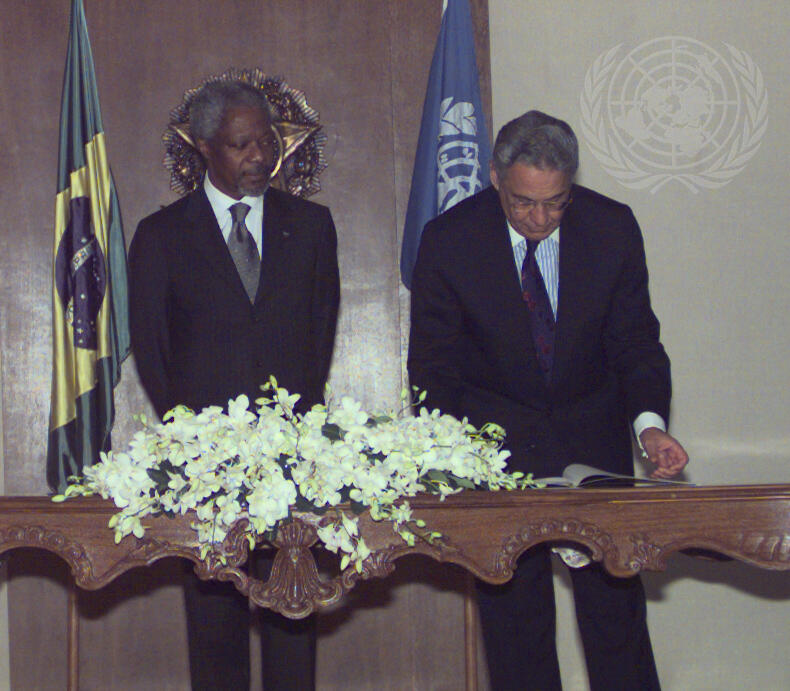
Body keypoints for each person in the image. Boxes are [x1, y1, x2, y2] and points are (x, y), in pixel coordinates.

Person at [407, 110, 688, 690]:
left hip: (594, 445)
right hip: (495, 453)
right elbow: (434, 364)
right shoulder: (449, 240)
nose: (540, 218)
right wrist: (448, 450)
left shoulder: (611, 227)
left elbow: (636, 341)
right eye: (524, 203)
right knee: (516, 629)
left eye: (556, 203)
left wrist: (650, 426)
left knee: (616, 621)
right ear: (495, 177)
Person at [128, 80, 340, 691]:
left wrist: (293, 437)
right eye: (241, 144)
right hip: (207, 472)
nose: (259, 156)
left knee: (293, 624)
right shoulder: (162, 236)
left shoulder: (312, 226)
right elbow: (154, 353)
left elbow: (318, 338)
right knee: (215, 633)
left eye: (266, 141)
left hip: (292, 468)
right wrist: (199, 444)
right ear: (203, 147)